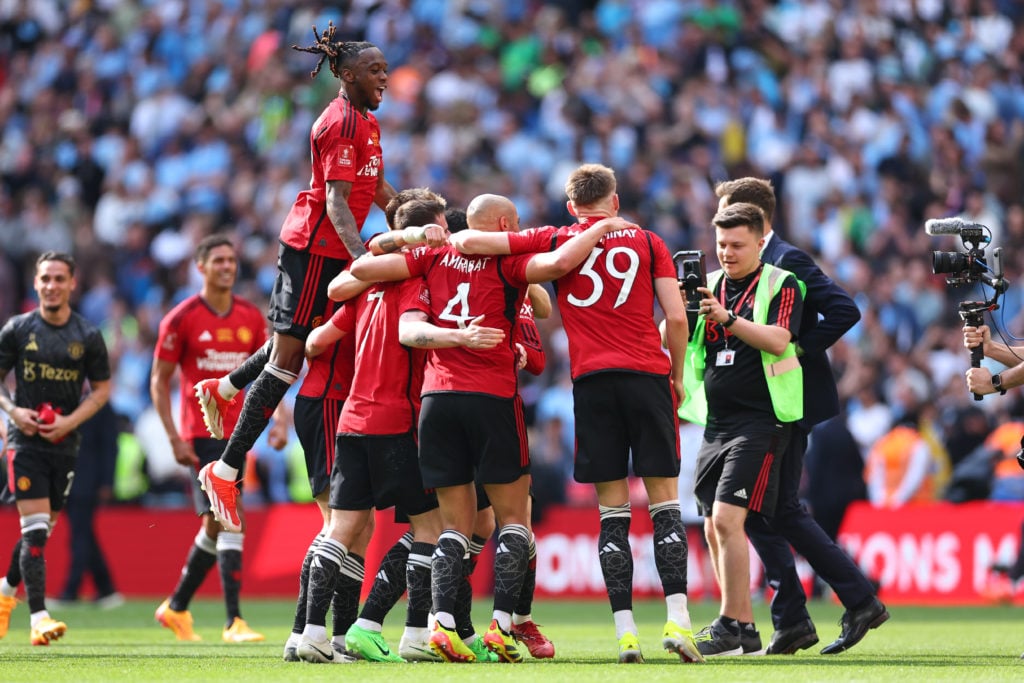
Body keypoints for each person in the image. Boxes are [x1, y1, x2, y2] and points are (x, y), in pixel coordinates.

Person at [350, 190, 622, 663]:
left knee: (453, 525)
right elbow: (557, 266)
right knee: (514, 518)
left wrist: (407, 238)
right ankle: (501, 626)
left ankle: (442, 627)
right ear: (501, 226)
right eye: (513, 224)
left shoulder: (432, 257)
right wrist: (602, 227)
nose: (517, 231)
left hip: (437, 400)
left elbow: (362, 269)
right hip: (491, 398)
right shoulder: (508, 263)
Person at [446, 164, 701, 665]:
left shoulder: (556, 237)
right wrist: (677, 376)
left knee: (612, 513)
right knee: (666, 506)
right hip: (647, 376)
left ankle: (626, 635)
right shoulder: (649, 242)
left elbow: (472, 244)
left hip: (591, 384)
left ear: (571, 205)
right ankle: (678, 622)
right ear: (616, 197)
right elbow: (675, 315)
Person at [193, 23, 396, 534]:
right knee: (288, 358)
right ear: (346, 75)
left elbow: (374, 188)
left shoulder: (367, 122)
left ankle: (226, 386)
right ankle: (225, 468)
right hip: (315, 247)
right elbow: (334, 202)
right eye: (374, 70)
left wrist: (414, 219)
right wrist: (360, 260)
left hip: (330, 247)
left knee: (300, 342)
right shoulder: (340, 123)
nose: (385, 78)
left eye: (385, 69)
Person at [715, 177, 887, 656]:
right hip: (762, 406)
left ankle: (836, 603)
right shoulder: (756, 262)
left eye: (731, 218)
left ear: (754, 218)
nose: (725, 233)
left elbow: (843, 310)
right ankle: (814, 610)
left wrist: (796, 349)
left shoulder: (786, 261)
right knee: (765, 512)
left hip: (785, 406)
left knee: (767, 511)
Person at [295, 195, 447, 665]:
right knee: (430, 525)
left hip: (350, 420)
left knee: (341, 528)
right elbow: (411, 331)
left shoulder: (366, 287)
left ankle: (310, 634)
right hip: (394, 422)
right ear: (432, 228)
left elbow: (318, 341)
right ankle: (416, 634)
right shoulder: (417, 281)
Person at [678, 202, 803, 657]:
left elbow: (779, 339)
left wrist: (727, 319)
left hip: (762, 417)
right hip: (716, 421)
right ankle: (743, 631)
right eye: (721, 245)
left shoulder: (781, 283)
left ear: (758, 242)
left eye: (736, 244)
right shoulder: (706, 286)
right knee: (712, 525)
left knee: (731, 520)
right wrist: (679, 309)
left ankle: (731, 622)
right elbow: (675, 340)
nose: (727, 253)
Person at [150, 235, 268, 643]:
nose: (226, 266)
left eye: (231, 260)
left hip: (240, 434)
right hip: (201, 434)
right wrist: (172, 437)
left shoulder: (251, 317)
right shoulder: (181, 318)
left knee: (217, 524)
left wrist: (281, 419)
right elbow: (159, 381)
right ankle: (233, 621)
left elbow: (271, 374)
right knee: (228, 517)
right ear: (200, 266)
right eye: (218, 260)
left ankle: (177, 607)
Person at [0, 251, 111, 645]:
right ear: (35, 283)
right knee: (34, 530)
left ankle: (3, 592)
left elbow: (101, 390)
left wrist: (69, 421)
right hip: (24, 441)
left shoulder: (87, 335)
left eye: (59, 279)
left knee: (41, 532)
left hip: (65, 444)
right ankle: (39, 618)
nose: (52, 285)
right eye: (45, 278)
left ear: (72, 283)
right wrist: (13, 411)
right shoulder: (17, 329)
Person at [51, 402, 122, 608]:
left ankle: (71, 591)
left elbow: (110, 445)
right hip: (67, 480)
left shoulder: (99, 405)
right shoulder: (64, 400)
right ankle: (107, 589)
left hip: (87, 482)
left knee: (79, 537)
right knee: (85, 536)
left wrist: (107, 482)